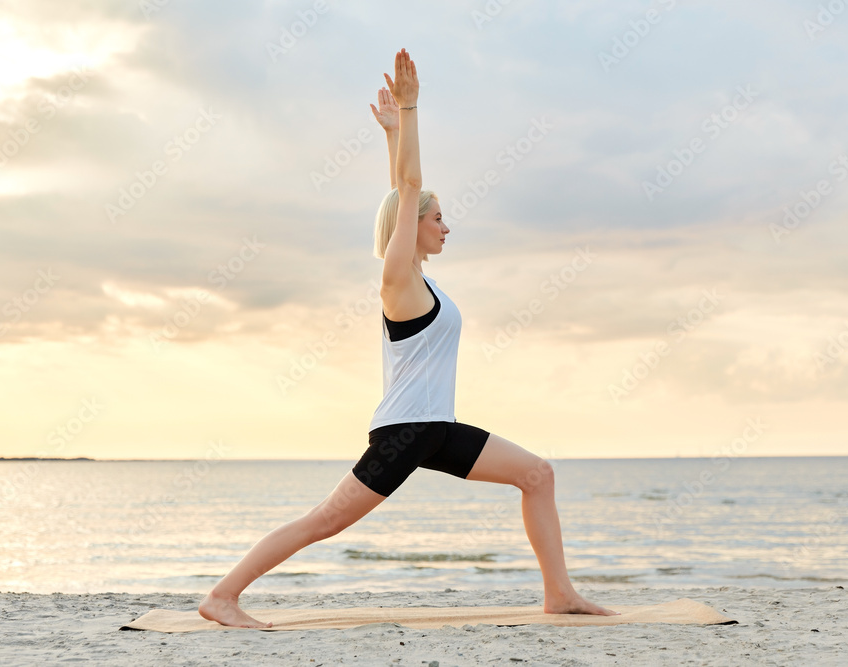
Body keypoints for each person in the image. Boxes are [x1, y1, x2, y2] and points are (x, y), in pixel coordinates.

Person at [198, 48, 618, 628]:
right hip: (403, 433)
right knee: (323, 522)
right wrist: (413, 110)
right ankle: (222, 595)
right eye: (437, 217)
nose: (447, 226)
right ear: (411, 225)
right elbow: (409, 185)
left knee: (537, 475)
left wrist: (393, 134)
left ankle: (559, 592)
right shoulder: (397, 280)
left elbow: (404, 187)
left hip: (436, 428)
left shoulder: (426, 282)